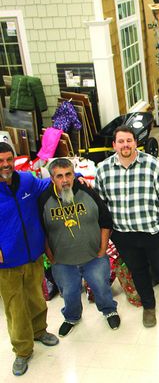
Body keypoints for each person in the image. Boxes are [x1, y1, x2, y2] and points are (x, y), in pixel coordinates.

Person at [94, 125, 159, 328]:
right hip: (124, 235)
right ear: (114, 145)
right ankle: (149, 307)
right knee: (139, 272)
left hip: (153, 232)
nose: (125, 145)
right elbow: (101, 205)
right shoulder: (103, 170)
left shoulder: (152, 165)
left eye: (129, 140)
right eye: (121, 141)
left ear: (135, 142)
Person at [38, 158, 120, 337]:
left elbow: (106, 220)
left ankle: (109, 311)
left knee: (101, 287)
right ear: (52, 179)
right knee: (69, 293)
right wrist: (51, 257)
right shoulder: (44, 199)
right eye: (59, 176)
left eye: (68, 174)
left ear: (74, 174)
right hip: (62, 261)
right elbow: (41, 231)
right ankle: (71, 317)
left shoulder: (87, 191)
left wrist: (102, 249)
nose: (65, 180)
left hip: (94, 257)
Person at [0, 142, 59, 376]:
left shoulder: (26, 180)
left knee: (36, 296)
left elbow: (47, 183)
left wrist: (73, 177)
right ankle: (22, 350)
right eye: (0, 161)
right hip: (7, 260)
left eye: (8, 159)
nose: (5, 165)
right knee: (16, 306)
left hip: (33, 254)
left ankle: (40, 331)